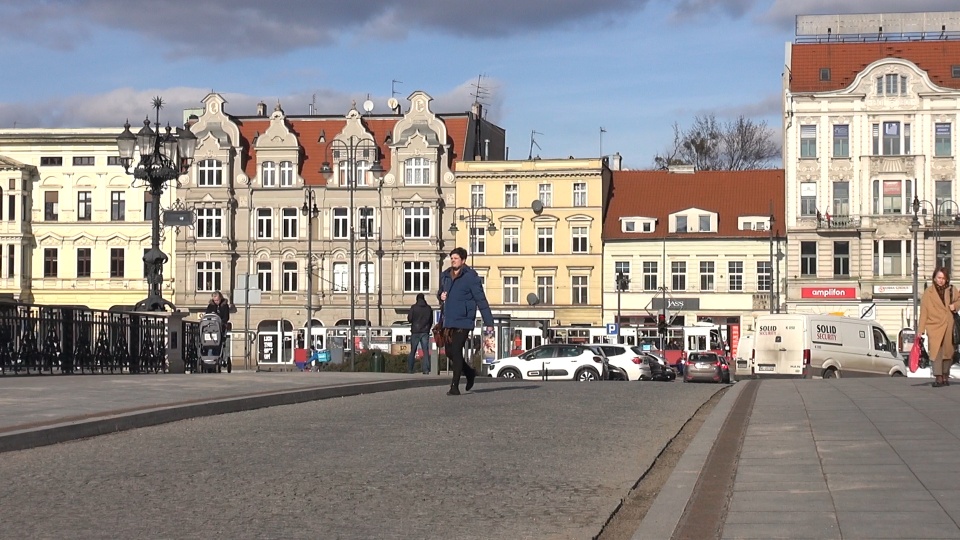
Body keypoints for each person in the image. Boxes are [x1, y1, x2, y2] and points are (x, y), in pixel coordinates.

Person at [438, 247, 494, 395]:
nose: (453, 261)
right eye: (451, 258)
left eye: (456, 258)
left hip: (464, 320)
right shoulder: (445, 275)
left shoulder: (471, 277)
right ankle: (469, 372)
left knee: (456, 350)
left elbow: (480, 299)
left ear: (463, 260)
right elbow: (441, 292)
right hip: (449, 319)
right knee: (449, 352)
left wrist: (489, 322)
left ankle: (454, 386)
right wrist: (441, 296)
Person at [917, 267, 959, 387]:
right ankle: (938, 377)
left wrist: (955, 306)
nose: (941, 280)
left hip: (948, 324)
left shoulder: (952, 290)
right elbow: (924, 312)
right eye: (939, 278)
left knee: (948, 352)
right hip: (933, 326)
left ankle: (945, 375)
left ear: (947, 279)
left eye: (943, 278)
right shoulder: (928, 292)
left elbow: (959, 300)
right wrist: (921, 330)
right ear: (934, 278)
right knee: (935, 353)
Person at [407, 293, 433, 375]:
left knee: (413, 351)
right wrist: (427, 328)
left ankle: (410, 369)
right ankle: (426, 370)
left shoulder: (414, 308)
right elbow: (431, 320)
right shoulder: (428, 308)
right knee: (425, 351)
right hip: (425, 332)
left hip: (415, 331)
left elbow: (410, 319)